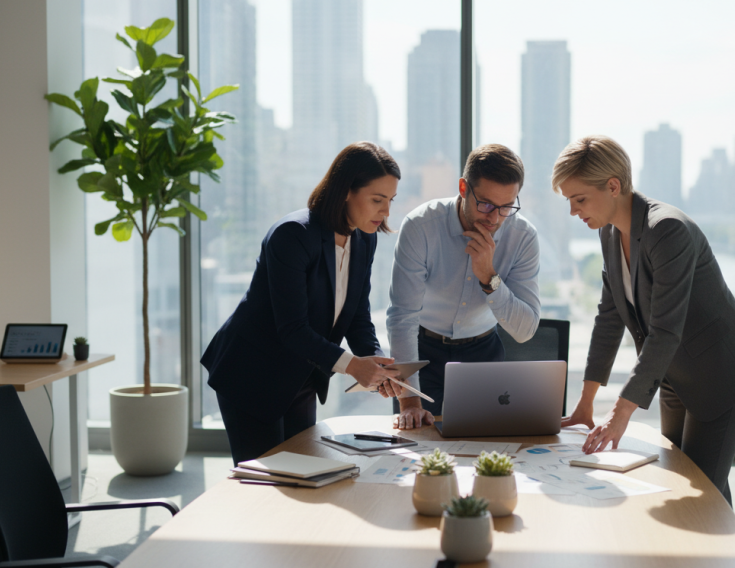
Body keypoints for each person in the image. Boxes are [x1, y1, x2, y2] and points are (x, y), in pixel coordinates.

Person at [553, 135, 735, 505]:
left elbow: (665, 330)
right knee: (689, 477)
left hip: (721, 374)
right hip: (675, 375)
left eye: (579, 199)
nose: (573, 211)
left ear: (613, 186)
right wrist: (585, 403)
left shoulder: (666, 229)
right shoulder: (609, 233)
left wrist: (621, 412)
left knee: (703, 493)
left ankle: (724, 561)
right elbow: (609, 318)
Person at [202, 142, 400, 465]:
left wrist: (376, 361)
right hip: (253, 374)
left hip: (301, 377)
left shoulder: (365, 238)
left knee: (303, 476)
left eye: (390, 200)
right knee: (265, 487)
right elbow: (292, 329)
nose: (386, 211)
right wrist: (353, 366)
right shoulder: (292, 235)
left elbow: (357, 316)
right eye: (377, 200)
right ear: (346, 190)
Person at [386, 144, 540, 430]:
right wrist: (408, 402)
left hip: (483, 352)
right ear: (463, 188)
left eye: (506, 207)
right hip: (421, 351)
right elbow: (402, 316)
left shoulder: (523, 237)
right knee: (418, 444)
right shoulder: (421, 226)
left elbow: (525, 330)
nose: (494, 218)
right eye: (486, 204)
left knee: (484, 447)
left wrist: (490, 278)